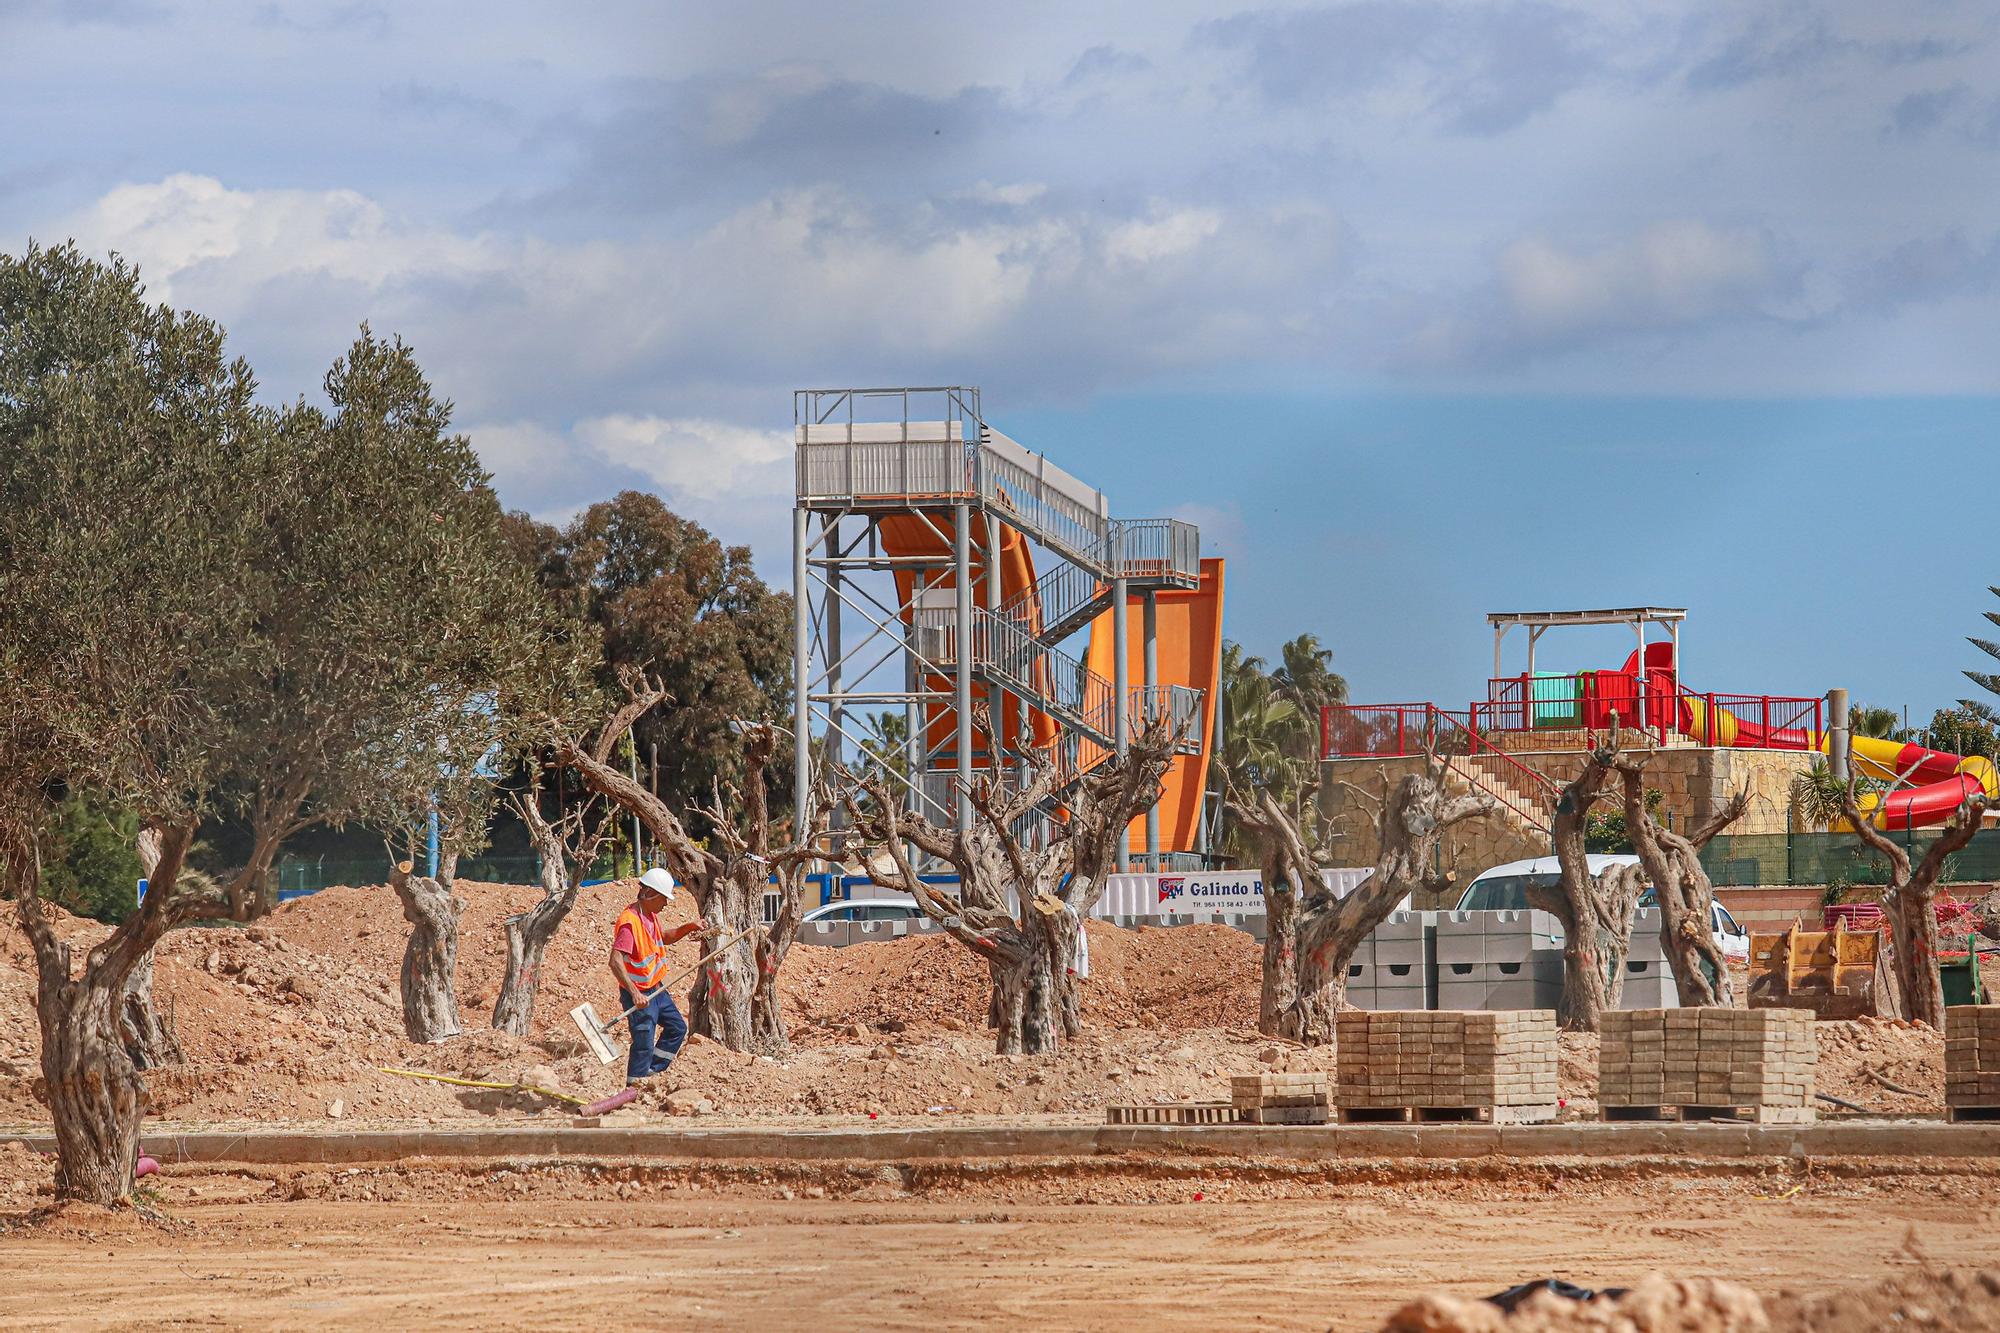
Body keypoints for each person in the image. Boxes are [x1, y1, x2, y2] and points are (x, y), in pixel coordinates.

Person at [609, 867, 705, 1086]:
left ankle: (652, 1072)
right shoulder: (629, 922)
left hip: (657, 990)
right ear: (650, 894)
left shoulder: (649, 916)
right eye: (664, 898)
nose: (666, 903)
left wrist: (689, 927)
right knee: (643, 1042)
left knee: (677, 1028)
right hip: (639, 993)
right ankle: (635, 1087)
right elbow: (615, 961)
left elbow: (664, 937)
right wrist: (634, 994)